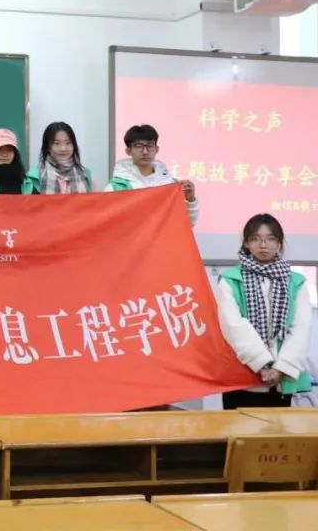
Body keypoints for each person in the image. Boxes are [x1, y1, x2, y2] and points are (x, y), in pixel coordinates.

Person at [216, 214, 312, 409]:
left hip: (280, 379)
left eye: (270, 238)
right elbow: (233, 326)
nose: (263, 245)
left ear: (279, 243)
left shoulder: (296, 281)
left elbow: (300, 329)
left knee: (276, 428)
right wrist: (262, 363)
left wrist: (280, 368)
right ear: (246, 243)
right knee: (239, 427)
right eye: (255, 239)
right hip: (242, 377)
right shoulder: (230, 279)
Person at [106, 124, 198, 226]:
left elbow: (187, 224)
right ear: (128, 151)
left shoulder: (170, 184)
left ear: (156, 149)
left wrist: (190, 199)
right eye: (139, 146)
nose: (145, 152)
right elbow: (108, 225)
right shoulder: (116, 188)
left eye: (150, 146)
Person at [34, 121, 92, 194]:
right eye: (57, 143)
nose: (63, 148)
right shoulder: (34, 177)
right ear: (47, 147)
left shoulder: (85, 174)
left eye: (68, 143)